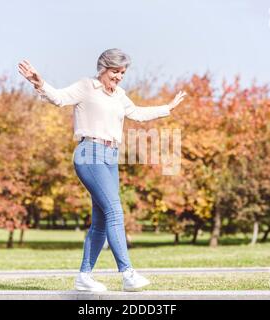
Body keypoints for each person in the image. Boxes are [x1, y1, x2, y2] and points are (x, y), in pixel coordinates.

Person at [18, 48, 186, 292]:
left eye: (122, 73)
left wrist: (167, 108)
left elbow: (137, 113)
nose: (118, 77)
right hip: (89, 152)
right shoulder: (87, 86)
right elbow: (59, 98)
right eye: (115, 71)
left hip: (111, 157)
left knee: (100, 220)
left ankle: (84, 277)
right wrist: (39, 82)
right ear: (103, 68)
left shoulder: (119, 95)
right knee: (115, 211)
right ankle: (128, 273)